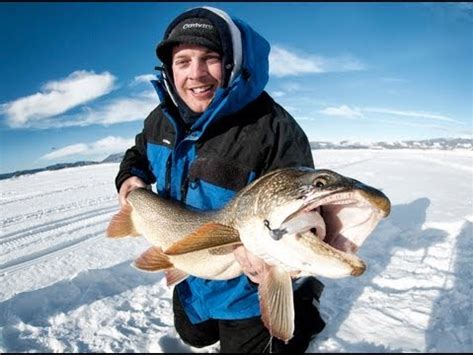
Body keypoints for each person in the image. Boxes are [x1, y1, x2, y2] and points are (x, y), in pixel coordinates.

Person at [115, 6, 326, 353]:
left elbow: (298, 210)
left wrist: (274, 258)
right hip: (190, 270)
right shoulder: (160, 118)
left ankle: (305, 307)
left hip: (244, 287)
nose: (195, 74)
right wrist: (129, 179)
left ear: (231, 64)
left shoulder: (273, 128)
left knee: (272, 341)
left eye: (210, 58)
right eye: (183, 61)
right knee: (195, 336)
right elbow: (137, 153)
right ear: (170, 69)